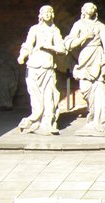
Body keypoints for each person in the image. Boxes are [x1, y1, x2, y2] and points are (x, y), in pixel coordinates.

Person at [64, 3, 105, 136]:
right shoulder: (78, 25)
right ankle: (92, 115)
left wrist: (104, 61)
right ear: (83, 10)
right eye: (88, 7)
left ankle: (99, 121)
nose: (91, 9)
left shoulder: (100, 26)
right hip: (84, 58)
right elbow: (68, 43)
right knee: (85, 89)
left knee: (100, 90)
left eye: (93, 7)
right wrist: (84, 37)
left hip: (97, 57)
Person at [17, 5, 66, 135]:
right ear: (40, 14)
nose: (47, 14)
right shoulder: (35, 29)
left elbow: (62, 49)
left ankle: (48, 123)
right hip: (33, 65)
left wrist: (49, 46)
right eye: (45, 12)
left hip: (48, 67)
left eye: (50, 12)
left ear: (52, 14)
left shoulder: (55, 31)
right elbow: (28, 44)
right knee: (35, 97)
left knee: (49, 95)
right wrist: (22, 56)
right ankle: (35, 120)